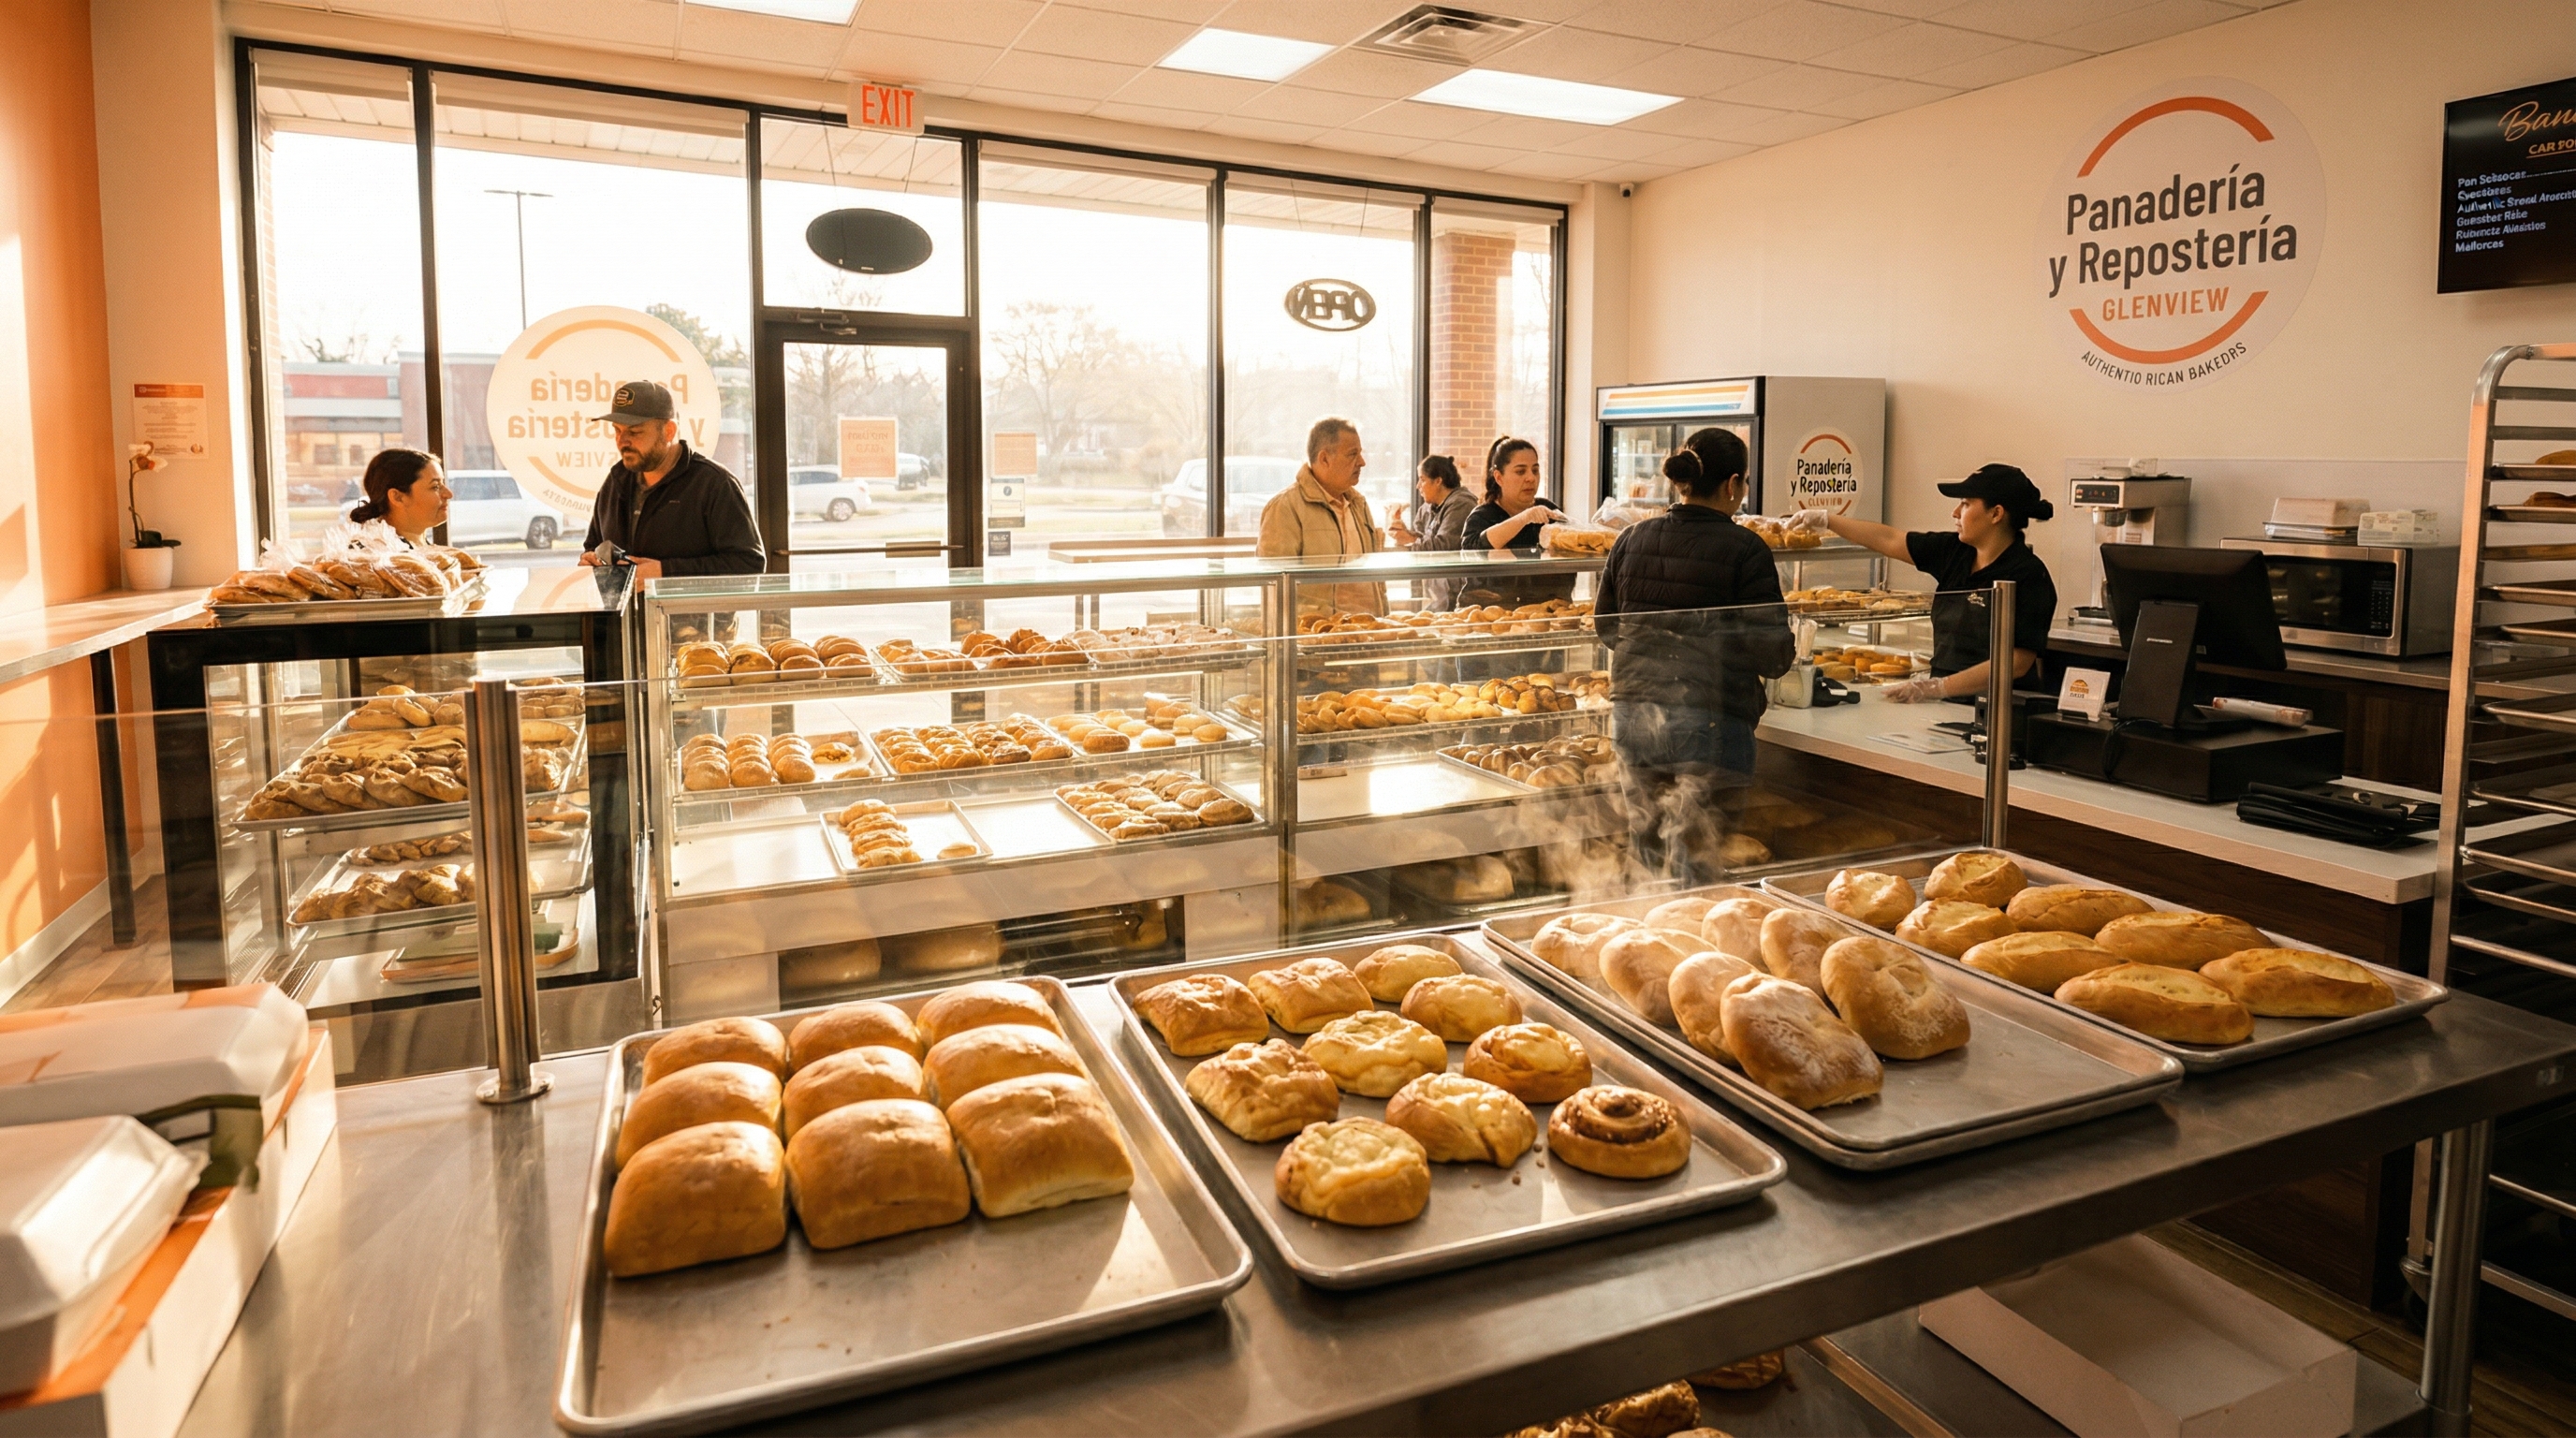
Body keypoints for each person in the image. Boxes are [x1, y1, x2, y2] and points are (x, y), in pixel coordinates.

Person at [1595, 427, 1796, 880]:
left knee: (1647, 850)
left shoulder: (1632, 538)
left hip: (1633, 713)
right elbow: (1771, 654)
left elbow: (1608, 628)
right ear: (1732, 485)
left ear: (1680, 482)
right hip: (1708, 719)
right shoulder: (1747, 549)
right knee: (1701, 856)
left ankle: (1645, 940)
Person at [1795, 462, 2057, 702]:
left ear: (1996, 514)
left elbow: (2016, 662)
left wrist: (1939, 687)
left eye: (1966, 504)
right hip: (1946, 702)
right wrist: (1827, 520)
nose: (1955, 512)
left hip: (2000, 710)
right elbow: (1889, 540)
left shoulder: (2029, 575)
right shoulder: (1954, 551)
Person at [578, 379, 764, 580]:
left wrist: (665, 573)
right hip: (629, 612)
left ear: (669, 431)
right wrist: (591, 561)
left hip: (697, 612)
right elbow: (594, 546)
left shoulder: (714, 484)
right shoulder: (615, 481)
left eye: (634, 432)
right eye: (617, 430)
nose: (622, 441)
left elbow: (748, 564)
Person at [1256, 417, 1384, 615]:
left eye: (1360, 453)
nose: (1362, 462)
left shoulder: (1359, 504)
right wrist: (1321, 627)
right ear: (1324, 458)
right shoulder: (1285, 508)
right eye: (1352, 454)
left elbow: (1377, 584)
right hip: (1318, 637)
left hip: (1366, 633)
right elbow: (1277, 591)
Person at [1459, 435, 1573, 607]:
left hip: (1543, 615)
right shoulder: (1482, 516)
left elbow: (1568, 558)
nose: (1531, 478)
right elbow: (1474, 552)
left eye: (1535, 470)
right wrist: (1525, 517)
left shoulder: (1548, 510)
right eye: (1520, 471)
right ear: (1499, 478)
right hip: (1487, 616)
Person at [1384, 454, 1475, 610]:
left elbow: (1443, 545)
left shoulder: (1462, 504)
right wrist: (1401, 530)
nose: (1418, 486)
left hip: (1456, 596)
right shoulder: (1426, 508)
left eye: (1423, 479)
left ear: (1438, 481)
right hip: (1432, 593)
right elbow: (1420, 538)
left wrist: (1408, 542)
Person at [346, 448, 449, 545]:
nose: (448, 494)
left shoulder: (427, 553)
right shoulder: (375, 559)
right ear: (397, 497)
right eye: (435, 487)